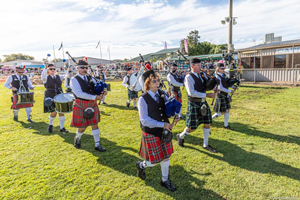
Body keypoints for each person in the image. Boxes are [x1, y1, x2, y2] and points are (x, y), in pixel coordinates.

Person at [135, 70, 180, 192]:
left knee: (166, 157)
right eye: (154, 81)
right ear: (147, 83)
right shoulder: (142, 99)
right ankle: (141, 165)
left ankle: (165, 180)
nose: (157, 83)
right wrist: (163, 124)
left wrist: (177, 115)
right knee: (154, 162)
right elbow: (144, 120)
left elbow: (171, 106)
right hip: (151, 132)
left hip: (164, 131)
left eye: (158, 80)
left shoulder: (162, 93)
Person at [176, 58, 217, 153]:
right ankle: (180, 136)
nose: (200, 67)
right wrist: (207, 95)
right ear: (192, 66)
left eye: (200, 65)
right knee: (192, 128)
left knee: (207, 123)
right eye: (198, 65)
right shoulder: (188, 77)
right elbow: (191, 93)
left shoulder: (201, 74)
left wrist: (214, 87)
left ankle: (205, 144)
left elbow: (207, 84)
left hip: (203, 103)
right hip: (194, 103)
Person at [70, 59, 107, 152]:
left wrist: (103, 90)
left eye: (86, 68)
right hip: (81, 104)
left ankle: (97, 144)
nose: (84, 69)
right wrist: (95, 97)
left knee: (95, 124)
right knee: (82, 127)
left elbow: (97, 86)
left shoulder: (89, 77)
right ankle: (77, 138)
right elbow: (79, 93)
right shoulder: (74, 80)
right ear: (77, 68)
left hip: (92, 103)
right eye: (82, 68)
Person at [41, 64, 69, 133]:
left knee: (61, 111)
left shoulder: (58, 76)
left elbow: (66, 75)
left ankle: (62, 128)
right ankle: (50, 125)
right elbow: (42, 75)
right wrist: (45, 68)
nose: (53, 70)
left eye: (54, 69)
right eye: (51, 69)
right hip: (50, 96)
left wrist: (67, 68)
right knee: (53, 113)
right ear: (48, 70)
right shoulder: (45, 78)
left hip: (59, 96)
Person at [212, 63, 235, 130]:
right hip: (221, 95)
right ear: (218, 69)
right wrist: (230, 91)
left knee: (227, 110)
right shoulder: (217, 77)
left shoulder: (223, 75)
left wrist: (233, 86)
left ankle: (226, 125)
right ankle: (209, 119)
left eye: (224, 68)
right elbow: (221, 88)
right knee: (221, 112)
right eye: (222, 69)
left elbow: (227, 83)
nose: (223, 70)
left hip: (225, 95)